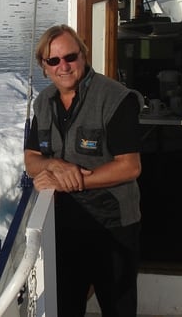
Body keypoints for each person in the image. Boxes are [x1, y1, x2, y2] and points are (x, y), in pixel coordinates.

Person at [24, 24, 143, 317]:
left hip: (112, 225)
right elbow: (31, 159)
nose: (63, 66)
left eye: (70, 57)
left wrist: (71, 181)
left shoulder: (116, 98)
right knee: (65, 306)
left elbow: (129, 166)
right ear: (44, 66)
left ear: (83, 56)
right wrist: (54, 165)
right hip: (64, 228)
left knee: (118, 307)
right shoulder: (43, 103)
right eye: (53, 61)